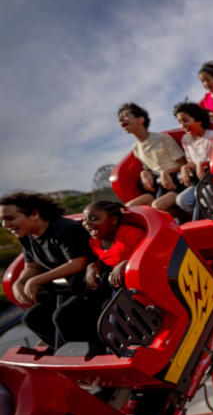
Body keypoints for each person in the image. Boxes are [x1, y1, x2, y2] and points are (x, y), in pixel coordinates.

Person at [0, 192, 98, 348]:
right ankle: (60, 349)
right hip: (64, 288)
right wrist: (19, 283)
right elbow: (32, 266)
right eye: (2, 220)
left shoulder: (65, 229)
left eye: (10, 218)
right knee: (33, 318)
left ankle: (89, 351)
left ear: (34, 214)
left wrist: (35, 280)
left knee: (63, 316)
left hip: (90, 286)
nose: (5, 225)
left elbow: (78, 263)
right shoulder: (26, 237)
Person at [118, 102, 187, 210]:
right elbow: (149, 169)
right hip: (157, 186)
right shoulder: (136, 147)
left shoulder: (162, 138)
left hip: (177, 184)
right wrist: (144, 173)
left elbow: (183, 163)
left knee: (157, 206)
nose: (121, 119)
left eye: (126, 115)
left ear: (140, 120)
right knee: (127, 208)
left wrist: (166, 172)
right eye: (120, 118)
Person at [83, 200, 145, 293]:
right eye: (84, 219)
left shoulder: (130, 234)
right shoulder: (94, 242)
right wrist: (92, 266)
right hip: (119, 284)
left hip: (142, 282)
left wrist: (125, 264)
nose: (86, 223)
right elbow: (106, 261)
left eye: (93, 218)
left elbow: (151, 257)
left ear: (113, 220)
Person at [173, 102, 213, 214]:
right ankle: (206, 216)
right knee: (182, 200)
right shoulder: (185, 140)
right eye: (180, 122)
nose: (182, 125)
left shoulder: (212, 136)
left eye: (185, 121)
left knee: (206, 193)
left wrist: (202, 164)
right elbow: (191, 162)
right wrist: (184, 168)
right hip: (199, 181)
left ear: (198, 120)